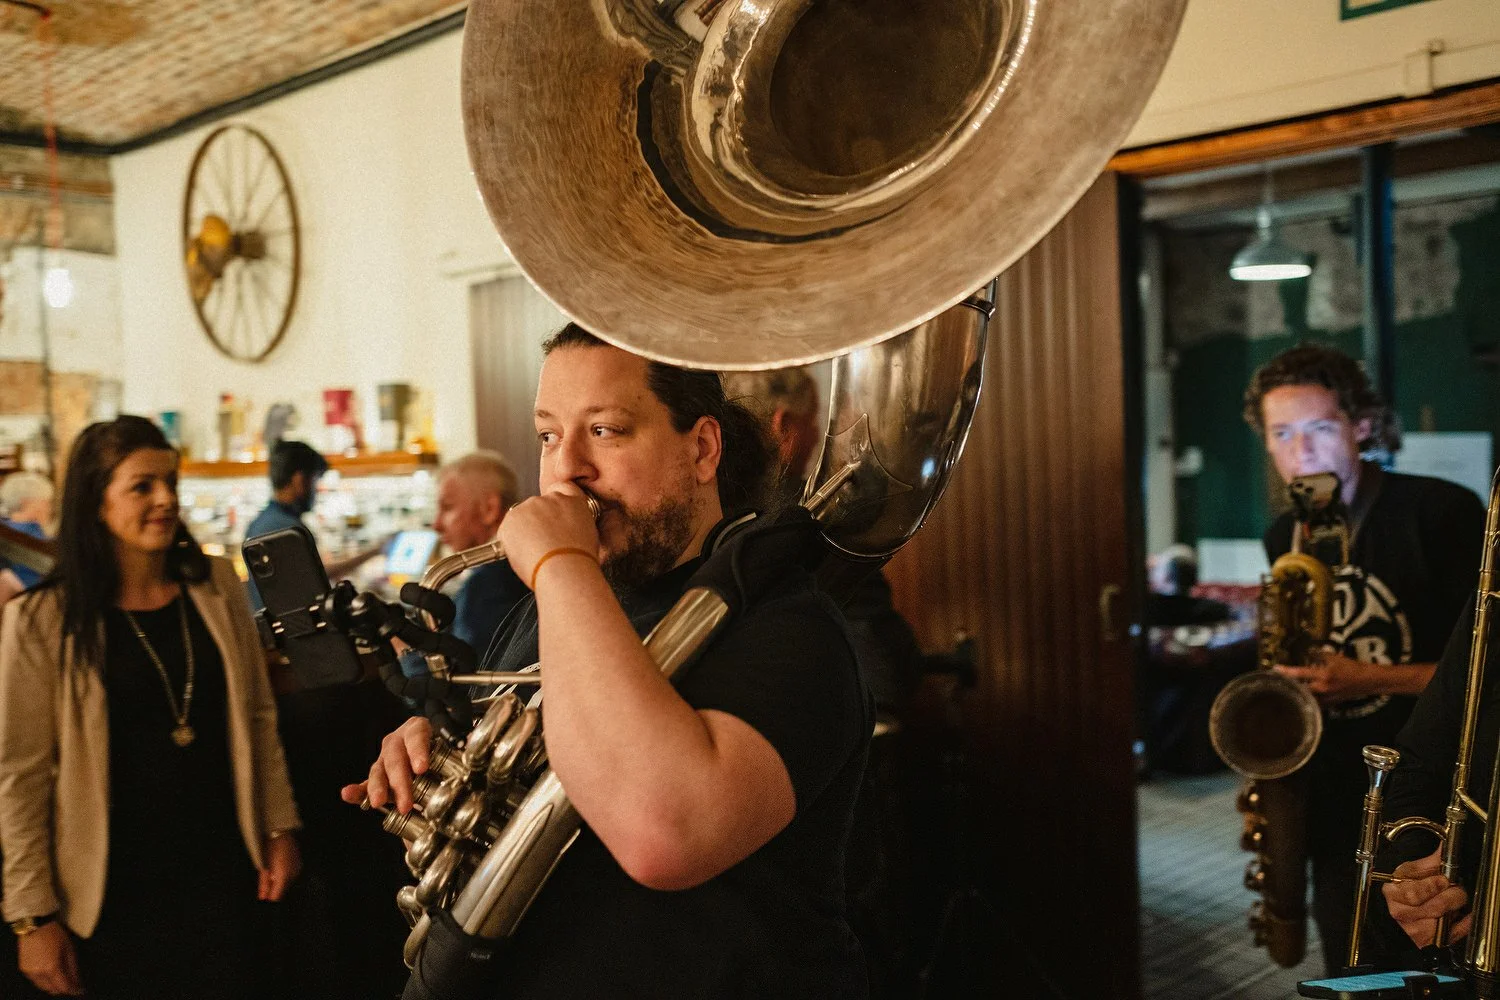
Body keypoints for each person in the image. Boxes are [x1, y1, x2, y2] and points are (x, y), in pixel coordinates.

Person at [344, 323, 872, 998]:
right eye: (548, 435)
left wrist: (561, 564)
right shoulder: (543, 613)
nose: (566, 469)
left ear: (703, 448)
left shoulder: (787, 627)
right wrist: (443, 759)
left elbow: (665, 834)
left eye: (605, 431)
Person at [0, 415, 302, 1000]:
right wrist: (32, 917)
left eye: (171, 482)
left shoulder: (214, 587)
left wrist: (279, 824)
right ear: (95, 502)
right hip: (110, 889)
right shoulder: (42, 620)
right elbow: (20, 775)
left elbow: (258, 719)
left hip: (223, 871)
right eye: (142, 486)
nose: (165, 500)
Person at [1242, 343, 1486, 973]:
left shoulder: (1442, 513)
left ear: (1362, 427)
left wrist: (1364, 679)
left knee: (1416, 967)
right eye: (1282, 433)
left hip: (1423, 794)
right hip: (1324, 786)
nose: (1302, 451)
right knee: (1342, 962)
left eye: (1321, 427)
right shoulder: (1281, 535)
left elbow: (1485, 674)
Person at [399, 450, 528, 677]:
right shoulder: (517, 567)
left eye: (447, 507)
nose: (437, 524)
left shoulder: (489, 584)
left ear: (489, 509)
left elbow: (459, 682)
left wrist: (404, 650)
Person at [243, 439, 386, 611]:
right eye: (315, 480)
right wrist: (376, 550)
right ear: (299, 480)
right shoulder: (288, 530)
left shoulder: (261, 522)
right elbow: (317, 578)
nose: (316, 490)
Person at [722, 365, 822, 507]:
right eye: (811, 421)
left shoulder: (718, 496)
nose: (816, 437)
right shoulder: (802, 511)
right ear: (784, 426)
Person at [0, 472, 55, 604]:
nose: (49, 508)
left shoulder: (5, 529)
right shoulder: (32, 534)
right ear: (26, 503)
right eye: (46, 502)